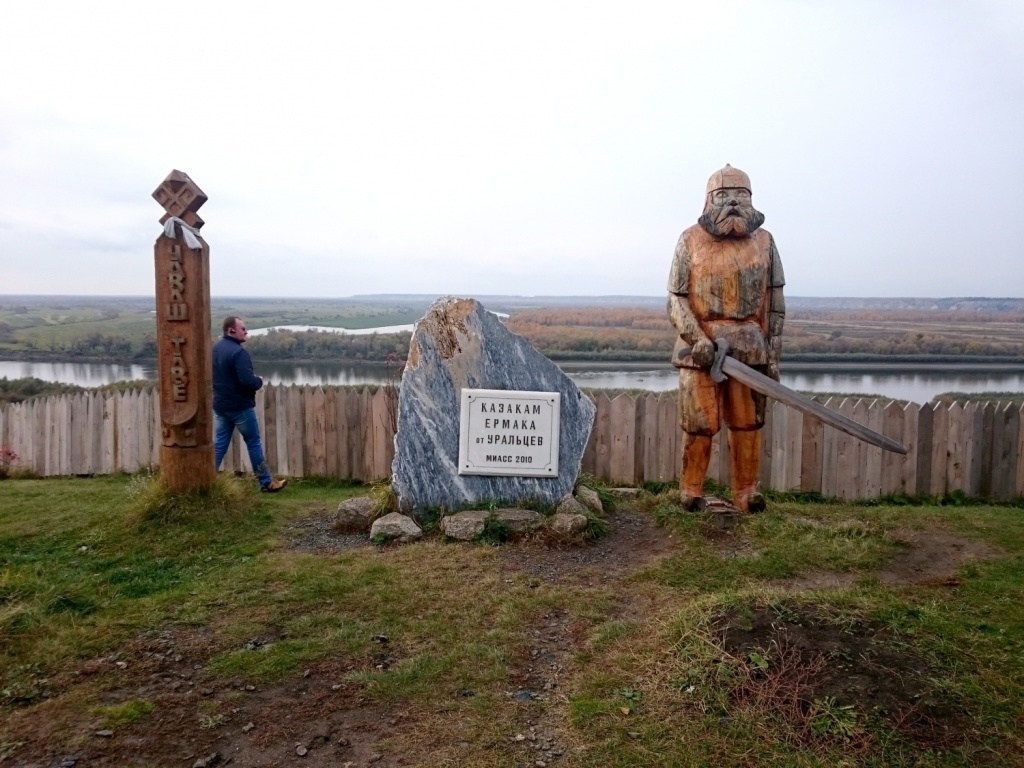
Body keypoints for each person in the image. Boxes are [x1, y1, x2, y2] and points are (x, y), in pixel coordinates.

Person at [667, 165, 785, 513]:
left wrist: (773, 355)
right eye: (723, 195)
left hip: (750, 348)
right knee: (700, 422)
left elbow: (775, 302)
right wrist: (697, 337)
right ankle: (690, 491)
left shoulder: (765, 242)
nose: (733, 202)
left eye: (741, 195)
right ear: (709, 199)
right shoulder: (690, 238)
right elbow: (676, 297)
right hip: (700, 349)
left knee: (747, 422)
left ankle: (747, 493)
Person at [212, 316, 287, 492]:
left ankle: (204, 479)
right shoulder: (238, 353)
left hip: (221, 405)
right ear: (231, 331)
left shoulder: (214, 349)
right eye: (243, 329)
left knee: (220, 443)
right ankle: (266, 483)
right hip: (240, 407)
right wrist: (259, 381)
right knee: (253, 443)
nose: (246, 332)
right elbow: (247, 381)